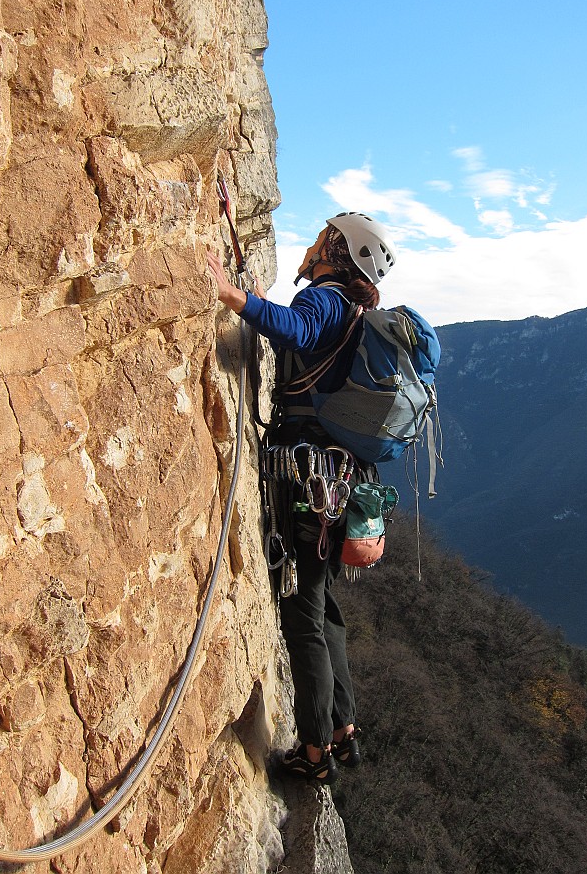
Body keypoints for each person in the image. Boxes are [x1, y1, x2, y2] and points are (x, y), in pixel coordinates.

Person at [207, 211, 397, 784]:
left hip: (310, 486)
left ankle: (316, 753)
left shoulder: (327, 296)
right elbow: (303, 336)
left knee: (303, 616)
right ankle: (343, 728)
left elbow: (301, 330)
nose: (313, 246)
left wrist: (235, 298)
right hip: (336, 485)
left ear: (340, 250)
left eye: (322, 239)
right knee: (325, 609)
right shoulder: (348, 306)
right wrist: (264, 304)